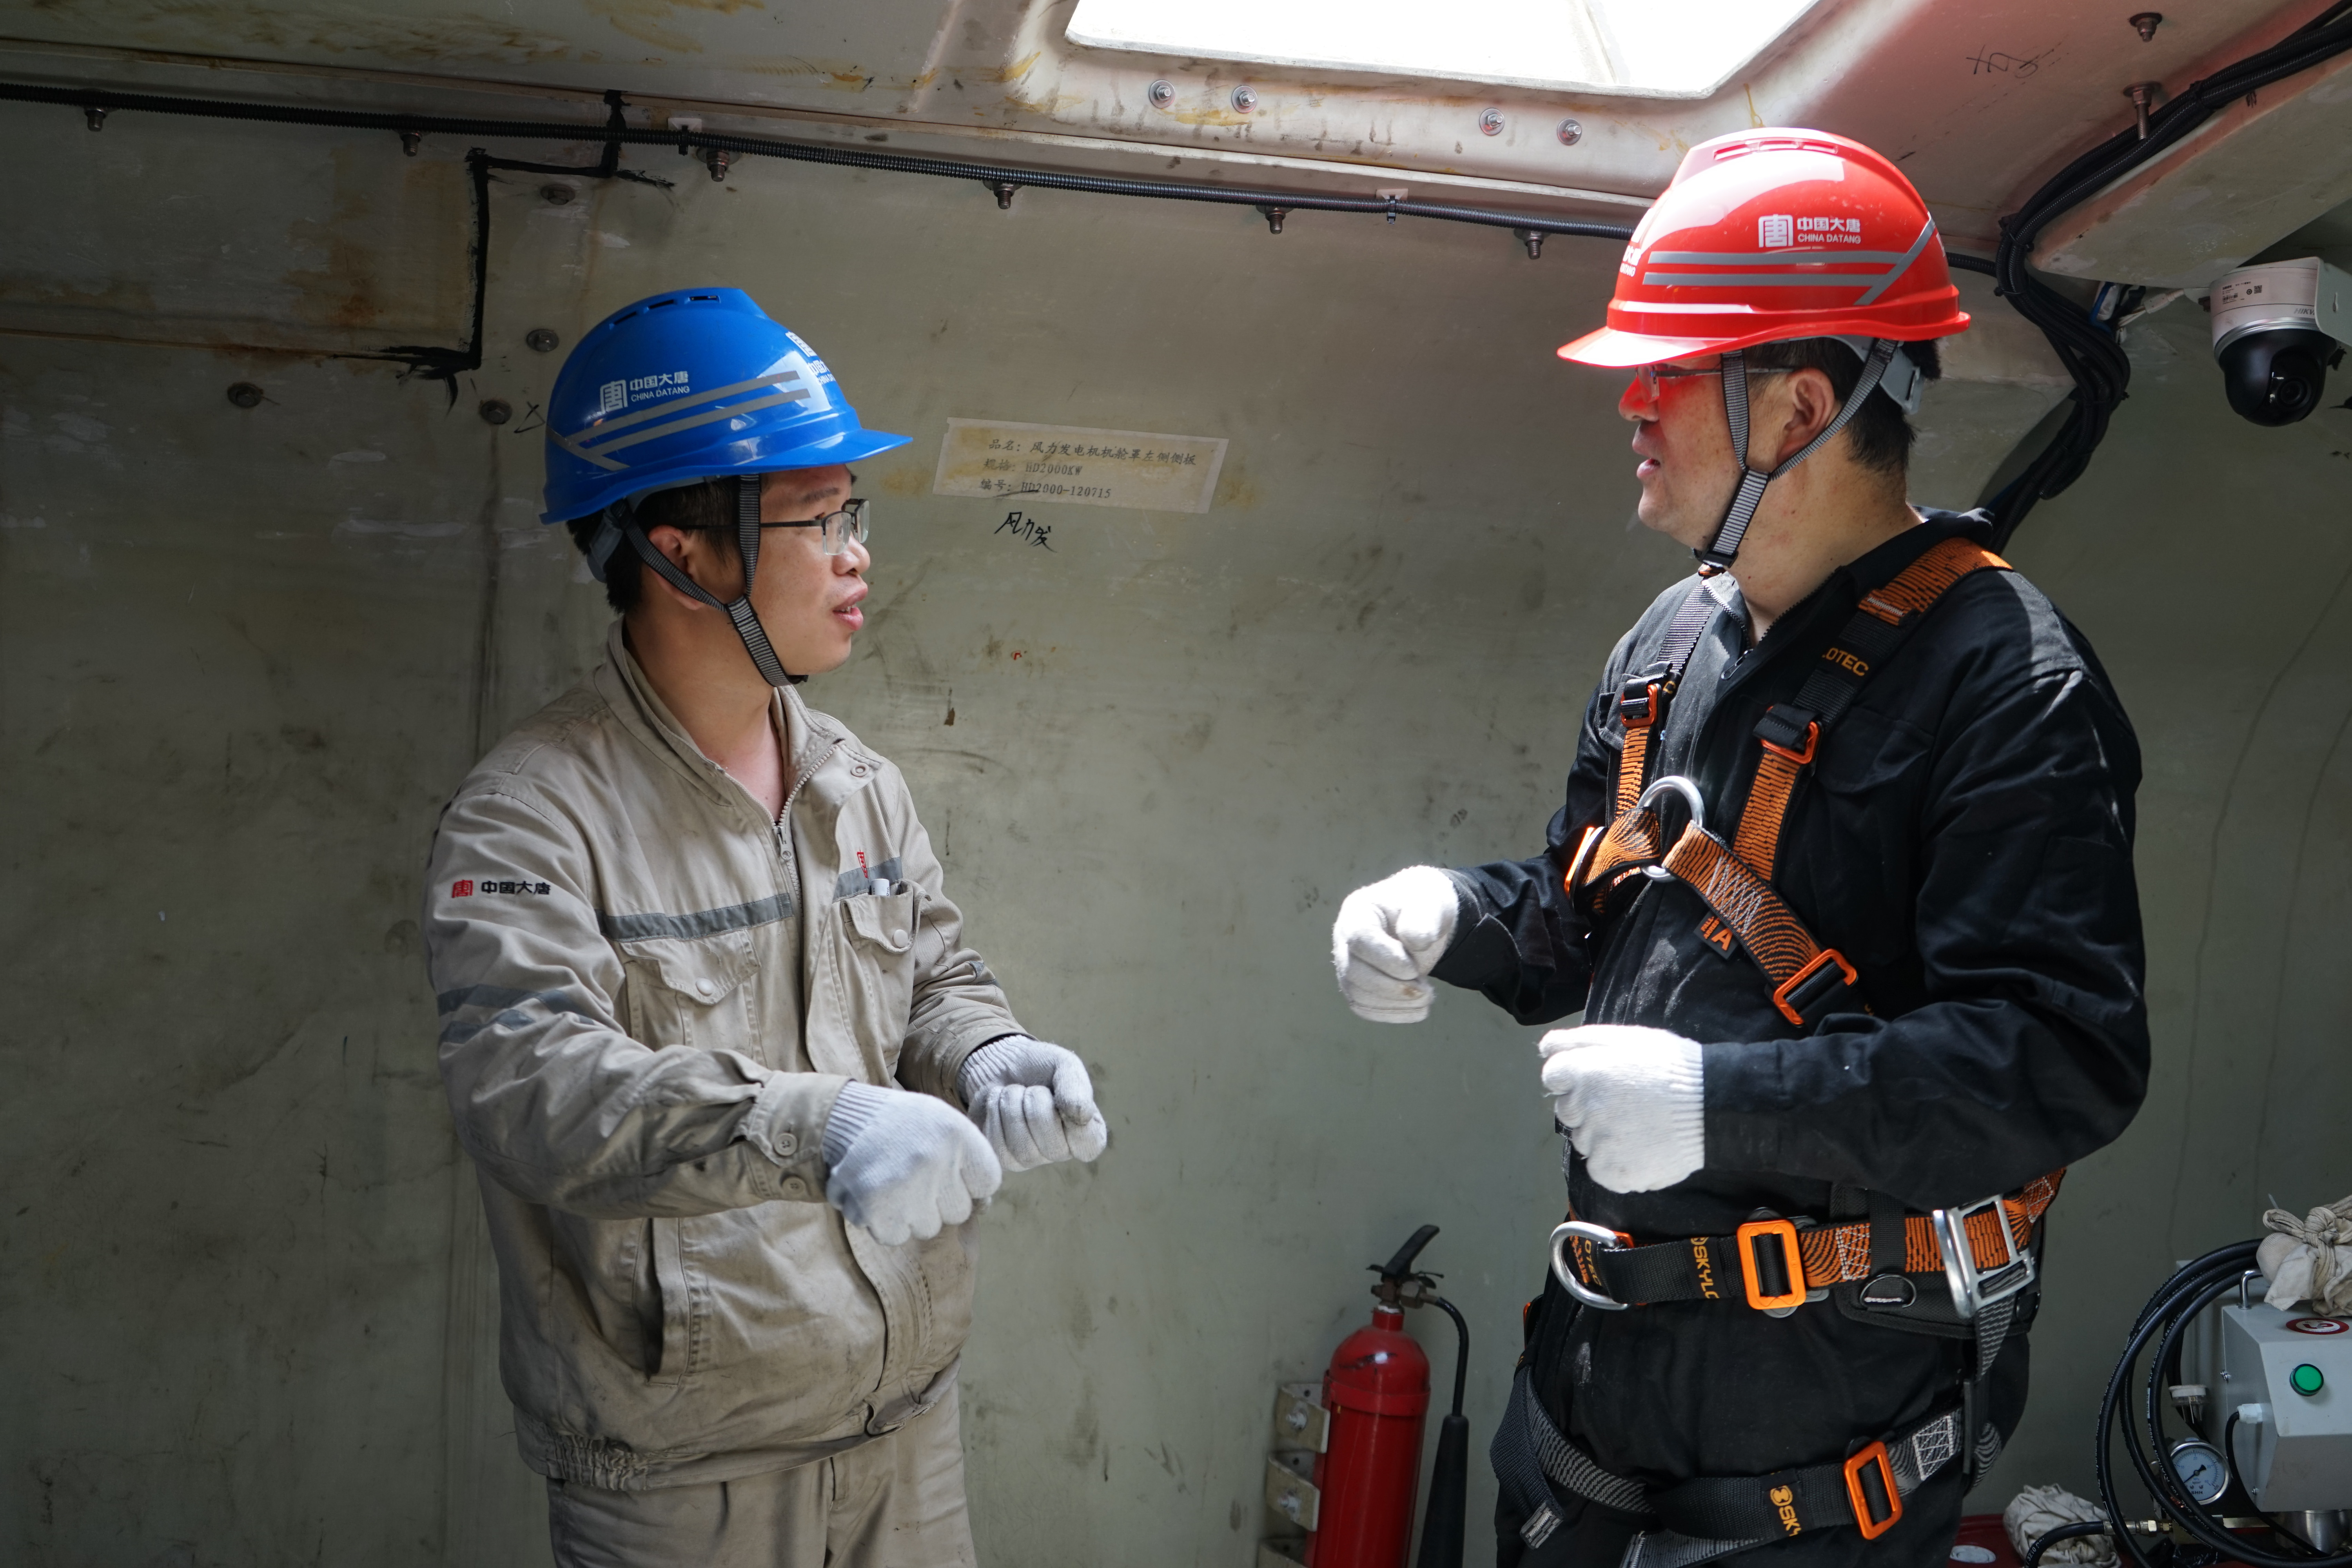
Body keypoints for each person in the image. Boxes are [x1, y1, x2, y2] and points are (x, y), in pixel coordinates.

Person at [1330, 131, 2148, 1568]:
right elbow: (1594, 922)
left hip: (1815, 1467)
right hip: (1586, 1421)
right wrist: (1451, 914)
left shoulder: (2007, 682)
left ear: (1799, 409)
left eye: (1669, 370)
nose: (1631, 403)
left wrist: (1724, 1108)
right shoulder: (1669, 645)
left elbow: (2058, 1058)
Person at [422, 287, 1108, 1568]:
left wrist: (989, 1055)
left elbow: (934, 976)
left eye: (857, 515)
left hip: (907, 1437)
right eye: (819, 518)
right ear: (684, 552)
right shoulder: (532, 815)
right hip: (686, 1479)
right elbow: (531, 1088)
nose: (857, 556)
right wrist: (817, 1123)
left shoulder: (857, 784)